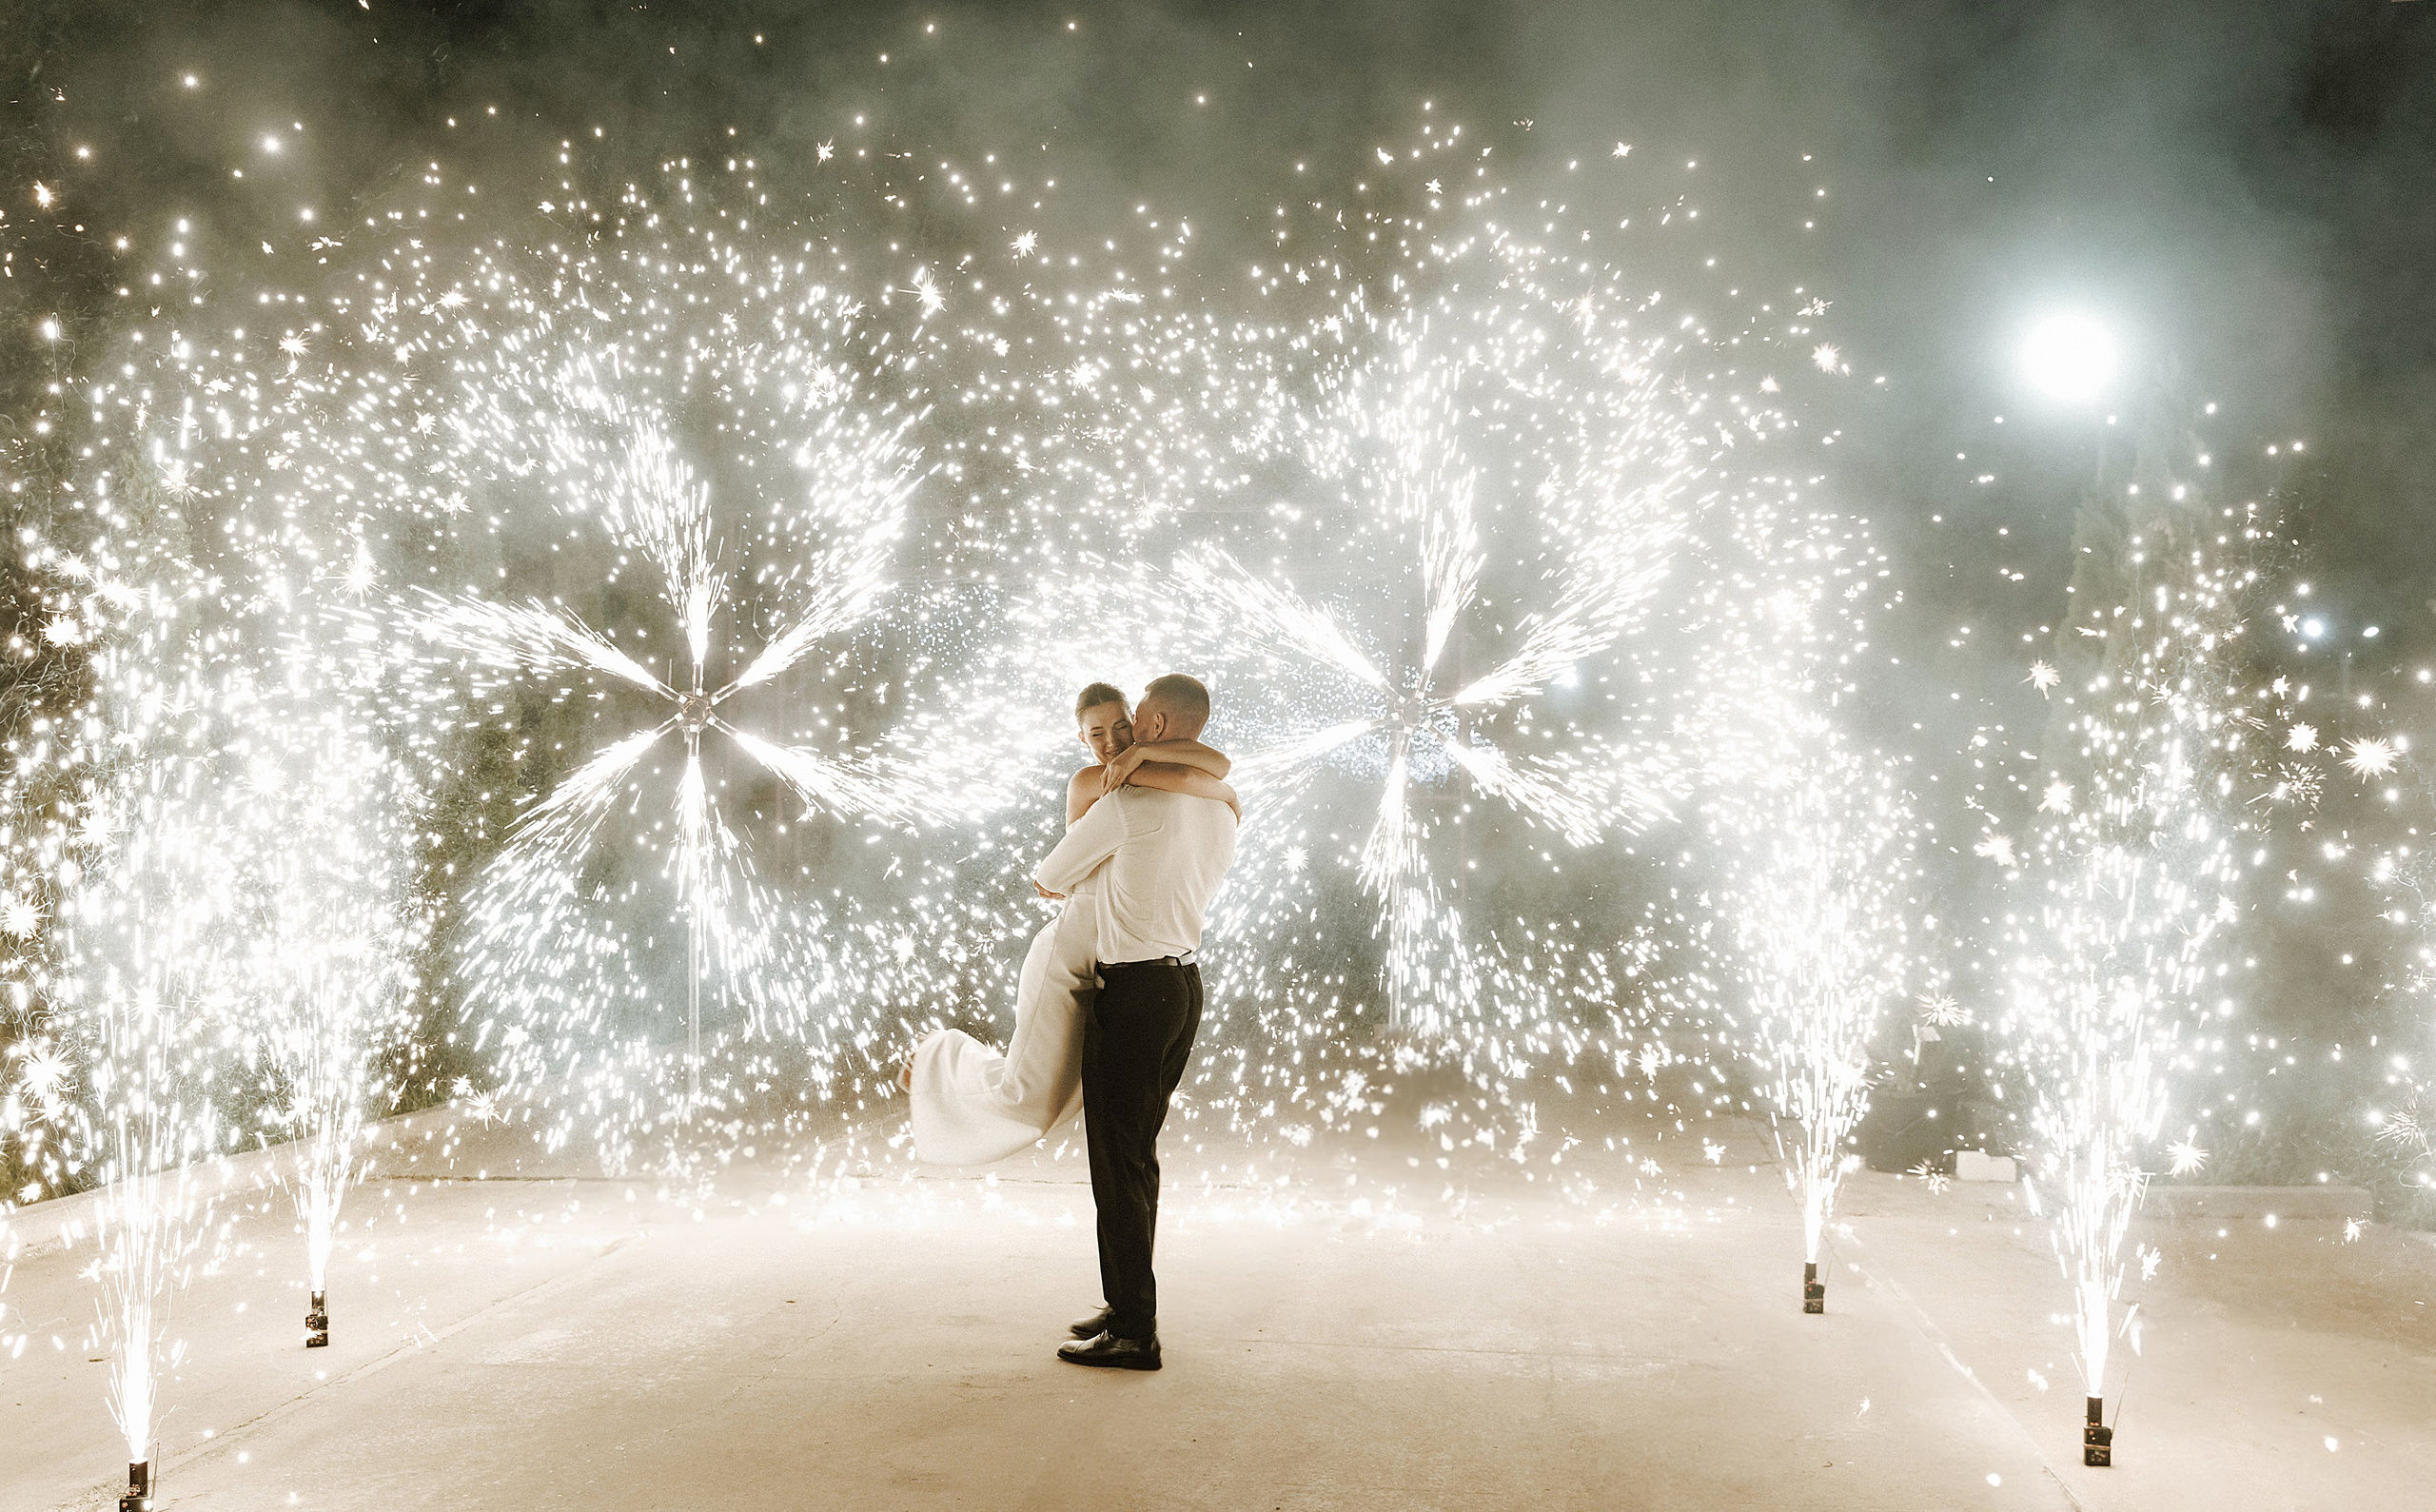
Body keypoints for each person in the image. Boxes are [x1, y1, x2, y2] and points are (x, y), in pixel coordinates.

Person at [900, 683, 1235, 1166]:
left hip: (1115, 958)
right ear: (1082, 739)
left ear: (1140, 724)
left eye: (1122, 726)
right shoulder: (1093, 781)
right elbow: (1205, 774)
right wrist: (1212, 789)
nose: (1111, 742)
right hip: (1069, 952)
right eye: (1096, 733)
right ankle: (936, 1058)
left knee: (1071, 1095)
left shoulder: (1149, 775)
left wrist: (1145, 756)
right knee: (1029, 1096)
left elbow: (1214, 769)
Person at [1032, 673, 1239, 1372]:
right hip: (1182, 988)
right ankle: (1126, 1303)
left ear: (1156, 726)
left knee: (1118, 1163)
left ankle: (1134, 1330)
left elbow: (1050, 876)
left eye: (1138, 719)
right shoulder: (1222, 808)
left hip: (1134, 991)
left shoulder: (1129, 802)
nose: (1128, 732)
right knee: (1137, 1155)